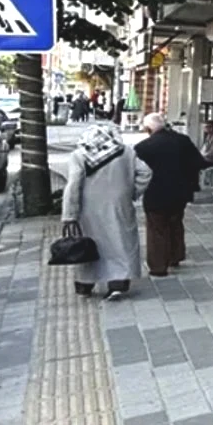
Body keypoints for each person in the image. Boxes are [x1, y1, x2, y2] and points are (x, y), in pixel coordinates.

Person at [60, 123, 151, 300]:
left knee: (89, 245)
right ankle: (118, 283)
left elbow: (73, 185)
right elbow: (145, 172)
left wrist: (69, 214)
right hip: (119, 205)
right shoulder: (126, 152)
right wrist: (132, 192)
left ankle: (85, 285)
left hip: (88, 208)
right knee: (120, 243)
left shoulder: (79, 155)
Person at [133, 112, 206, 277]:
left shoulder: (143, 147)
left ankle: (158, 266)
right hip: (180, 192)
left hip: (155, 193)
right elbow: (199, 162)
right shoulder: (183, 140)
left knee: (157, 228)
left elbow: (136, 173)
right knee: (175, 222)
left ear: (148, 129)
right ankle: (175, 255)